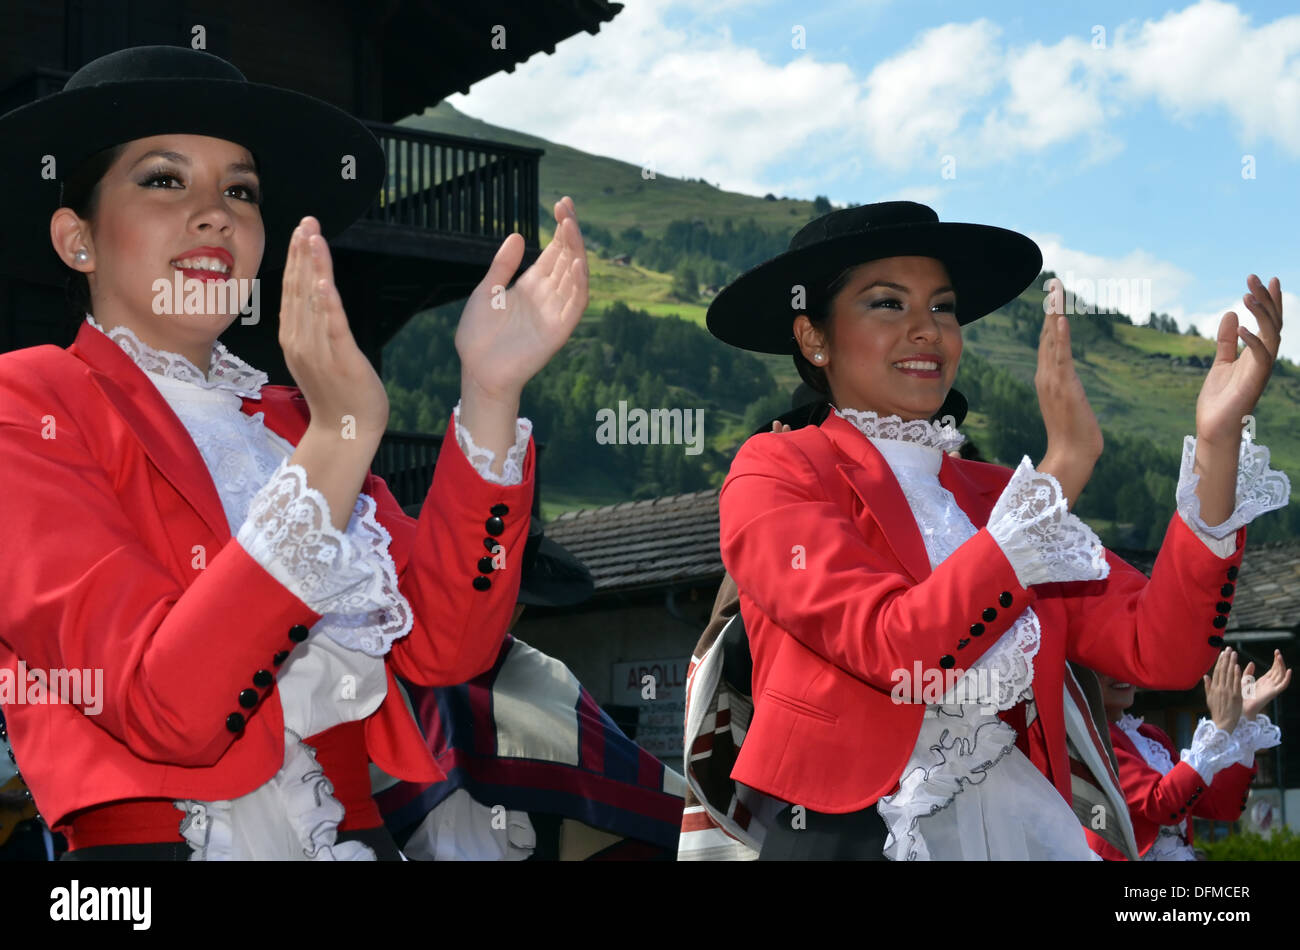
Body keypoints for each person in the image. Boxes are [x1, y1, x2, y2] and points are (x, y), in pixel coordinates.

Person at [0, 46, 587, 860]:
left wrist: (490, 392)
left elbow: (449, 646)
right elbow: (163, 706)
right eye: (164, 180)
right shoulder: (28, 400)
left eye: (241, 190)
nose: (216, 213)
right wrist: (334, 440)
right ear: (78, 239)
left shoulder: (293, 422)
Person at [705, 200, 1291, 859]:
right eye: (889, 304)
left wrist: (1215, 445)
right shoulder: (776, 471)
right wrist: (1061, 471)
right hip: (845, 832)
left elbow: (1162, 651)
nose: (927, 329)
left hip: (1024, 825)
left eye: (944, 307)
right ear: (814, 337)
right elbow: (893, 650)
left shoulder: (998, 500)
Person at [1089, 647, 1288, 860]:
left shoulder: (1151, 737)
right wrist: (1219, 728)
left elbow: (1220, 805)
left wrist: (1243, 717)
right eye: (1105, 667)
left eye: (1126, 663)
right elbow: (1162, 803)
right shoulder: (1090, 739)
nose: (1120, 674)